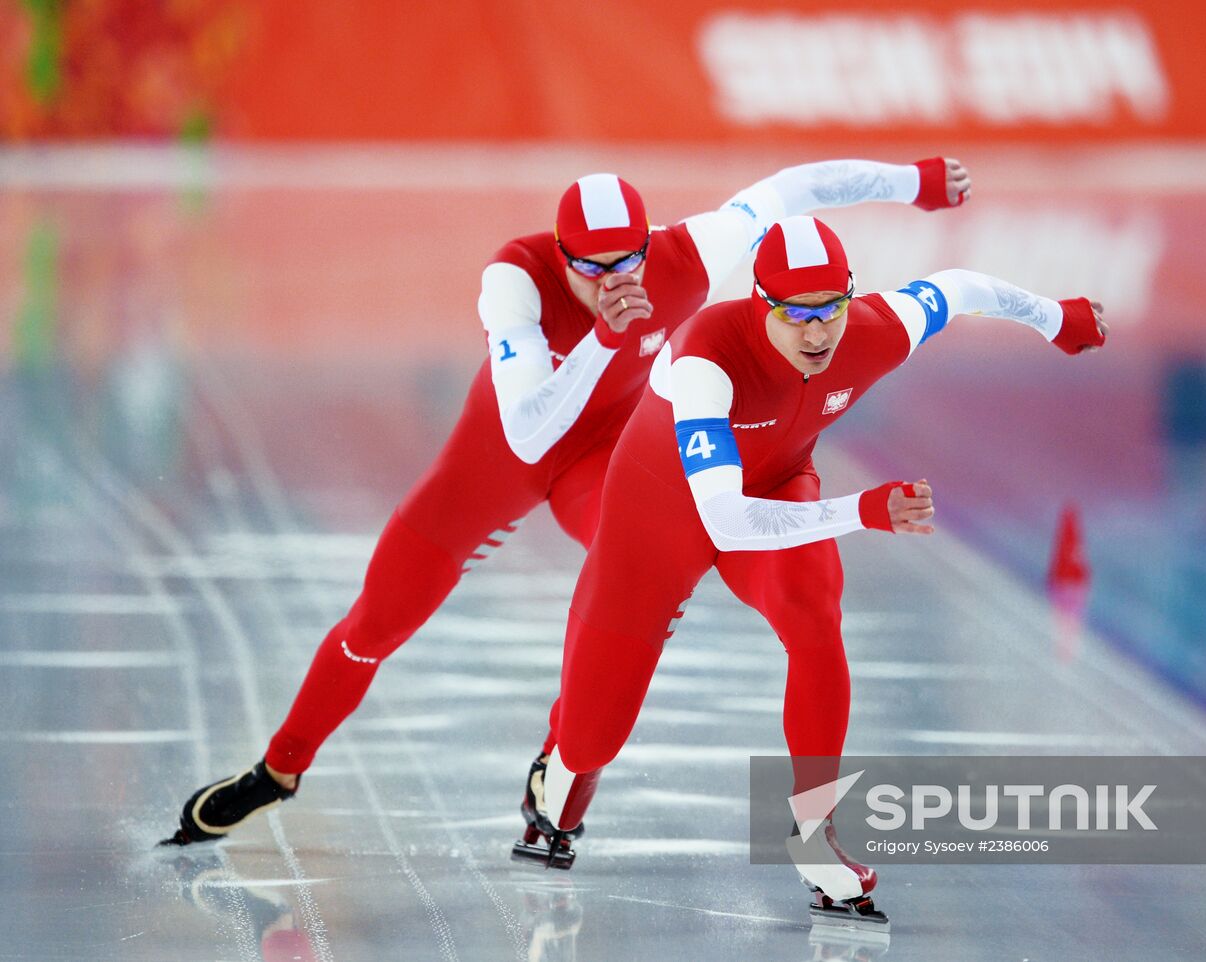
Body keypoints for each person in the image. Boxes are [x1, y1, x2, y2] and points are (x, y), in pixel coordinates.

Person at [161, 158, 974, 846]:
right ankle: (280, 766)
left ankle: (562, 762)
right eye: (593, 268)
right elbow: (526, 433)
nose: (616, 281)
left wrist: (917, 181)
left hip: (603, 465)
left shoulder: (684, 256)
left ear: (650, 243)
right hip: (494, 467)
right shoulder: (513, 281)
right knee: (376, 623)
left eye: (630, 261)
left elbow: (794, 189)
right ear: (561, 256)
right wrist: (607, 340)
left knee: (637, 587)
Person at [525, 215, 1106, 926]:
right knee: (593, 741)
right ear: (760, 303)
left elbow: (961, 288)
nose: (816, 333)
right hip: (659, 518)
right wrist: (863, 510)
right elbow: (727, 521)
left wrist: (1056, 318)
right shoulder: (705, 360)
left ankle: (814, 834)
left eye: (830, 308)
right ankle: (559, 764)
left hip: (775, 484)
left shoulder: (873, 332)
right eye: (794, 314)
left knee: (814, 614)